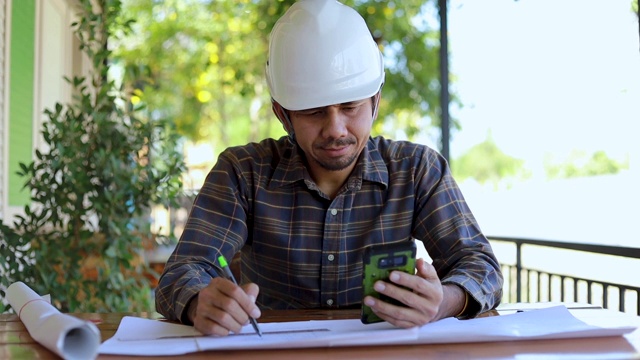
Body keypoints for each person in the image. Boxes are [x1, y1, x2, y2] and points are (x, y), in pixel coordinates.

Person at [156, 0, 503, 336]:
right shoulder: (243, 172)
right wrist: (200, 302)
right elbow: (182, 272)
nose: (336, 129)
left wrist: (443, 301)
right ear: (283, 114)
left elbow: (480, 265)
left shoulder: (416, 170)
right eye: (313, 111)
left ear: (375, 102)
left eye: (350, 107)